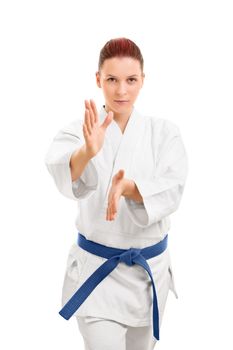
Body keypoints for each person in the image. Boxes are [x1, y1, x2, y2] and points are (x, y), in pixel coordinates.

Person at [44, 37, 188, 350]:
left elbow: (172, 188)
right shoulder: (78, 131)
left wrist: (129, 188)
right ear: (98, 80)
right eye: (112, 79)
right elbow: (62, 167)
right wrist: (87, 151)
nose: (121, 90)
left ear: (142, 81)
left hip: (149, 277)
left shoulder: (165, 134)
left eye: (130, 80)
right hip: (98, 273)